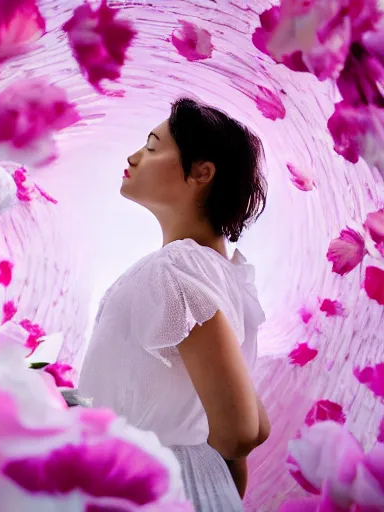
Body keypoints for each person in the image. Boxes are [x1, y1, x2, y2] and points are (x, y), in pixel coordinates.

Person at [78, 97, 271, 511]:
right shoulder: (228, 275)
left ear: (202, 172)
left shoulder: (176, 268)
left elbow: (239, 429)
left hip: (147, 485)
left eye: (150, 147)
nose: (133, 156)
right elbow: (251, 433)